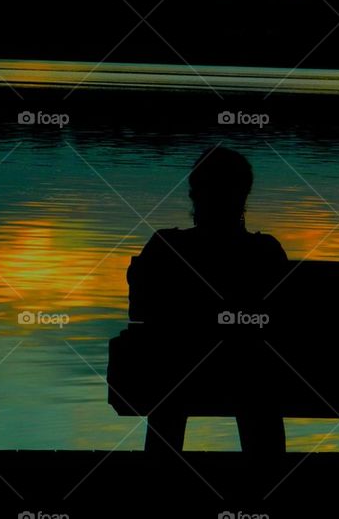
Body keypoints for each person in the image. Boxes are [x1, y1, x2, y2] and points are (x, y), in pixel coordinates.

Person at [126, 146, 288, 457]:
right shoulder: (266, 253)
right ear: (243, 196)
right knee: (260, 382)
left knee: (169, 382)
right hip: (251, 380)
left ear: (195, 194)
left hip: (176, 379)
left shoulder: (164, 249)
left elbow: (142, 309)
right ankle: (268, 480)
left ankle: (157, 475)